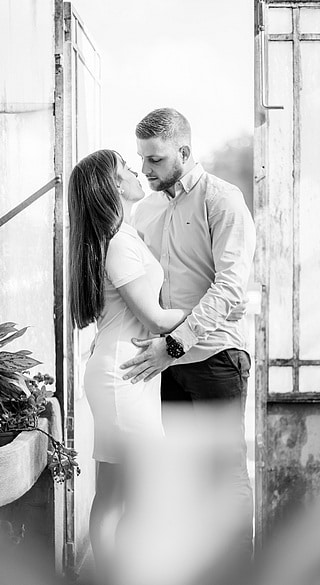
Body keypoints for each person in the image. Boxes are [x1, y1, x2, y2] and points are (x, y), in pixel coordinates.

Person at [118, 108, 256, 570]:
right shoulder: (145, 209)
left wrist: (175, 342)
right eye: (141, 159)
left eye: (154, 159)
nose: (145, 169)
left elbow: (232, 287)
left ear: (183, 151)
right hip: (165, 363)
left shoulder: (223, 199)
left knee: (225, 471)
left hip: (218, 356)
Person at [67, 149, 191, 581]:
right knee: (138, 494)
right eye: (127, 169)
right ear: (114, 186)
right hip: (123, 379)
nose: (137, 172)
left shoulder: (123, 236)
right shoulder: (118, 244)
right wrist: (211, 312)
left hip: (122, 372)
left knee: (115, 493)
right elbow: (155, 318)